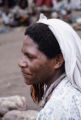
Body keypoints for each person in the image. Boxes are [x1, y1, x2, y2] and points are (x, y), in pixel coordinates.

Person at [18, 14, 81, 120]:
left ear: (58, 60)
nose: (21, 63)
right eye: (23, 54)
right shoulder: (69, 91)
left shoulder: (56, 110)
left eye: (30, 57)